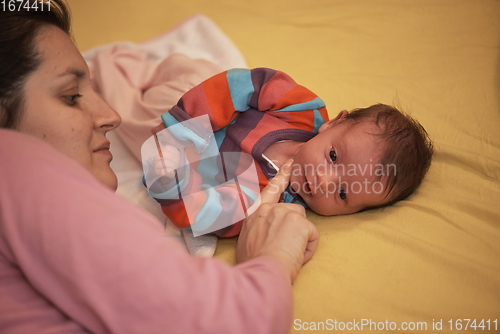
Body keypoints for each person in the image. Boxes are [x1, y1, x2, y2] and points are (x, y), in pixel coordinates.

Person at [0, 1, 319, 333]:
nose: (111, 116)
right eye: (70, 96)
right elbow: (235, 320)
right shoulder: (18, 169)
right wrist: (273, 256)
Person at [144, 68, 434, 237]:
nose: (323, 180)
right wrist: (181, 129)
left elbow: (199, 215)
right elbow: (242, 84)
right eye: (333, 157)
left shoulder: (270, 207)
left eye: (343, 194)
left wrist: (169, 182)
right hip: (191, 105)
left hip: (174, 158)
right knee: (170, 70)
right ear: (333, 123)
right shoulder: (302, 110)